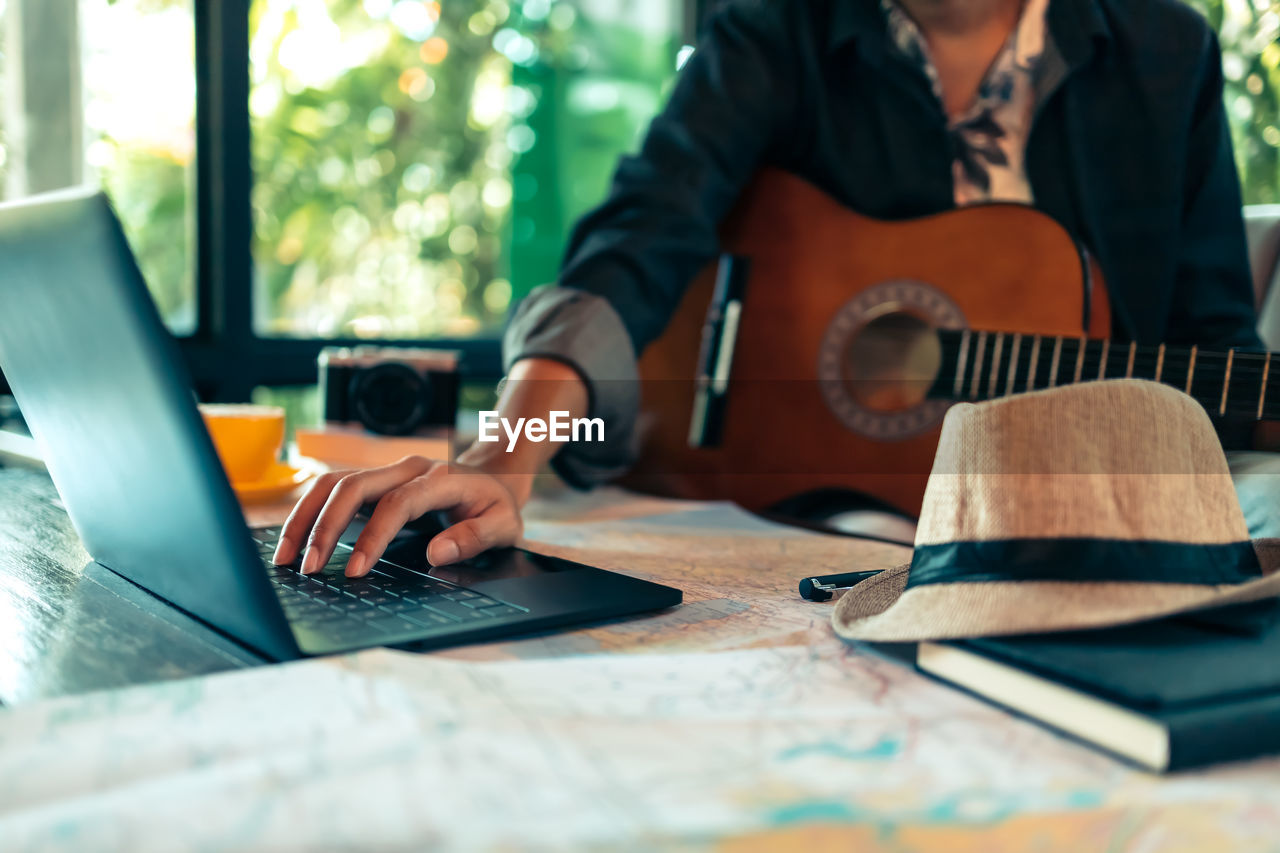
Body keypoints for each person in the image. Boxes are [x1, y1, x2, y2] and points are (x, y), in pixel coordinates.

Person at [273, 0, 1261, 577]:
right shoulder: (776, 29)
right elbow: (639, 236)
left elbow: (1212, 341)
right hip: (804, 534)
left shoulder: (1162, 50)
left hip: (1061, 542)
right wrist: (508, 446)